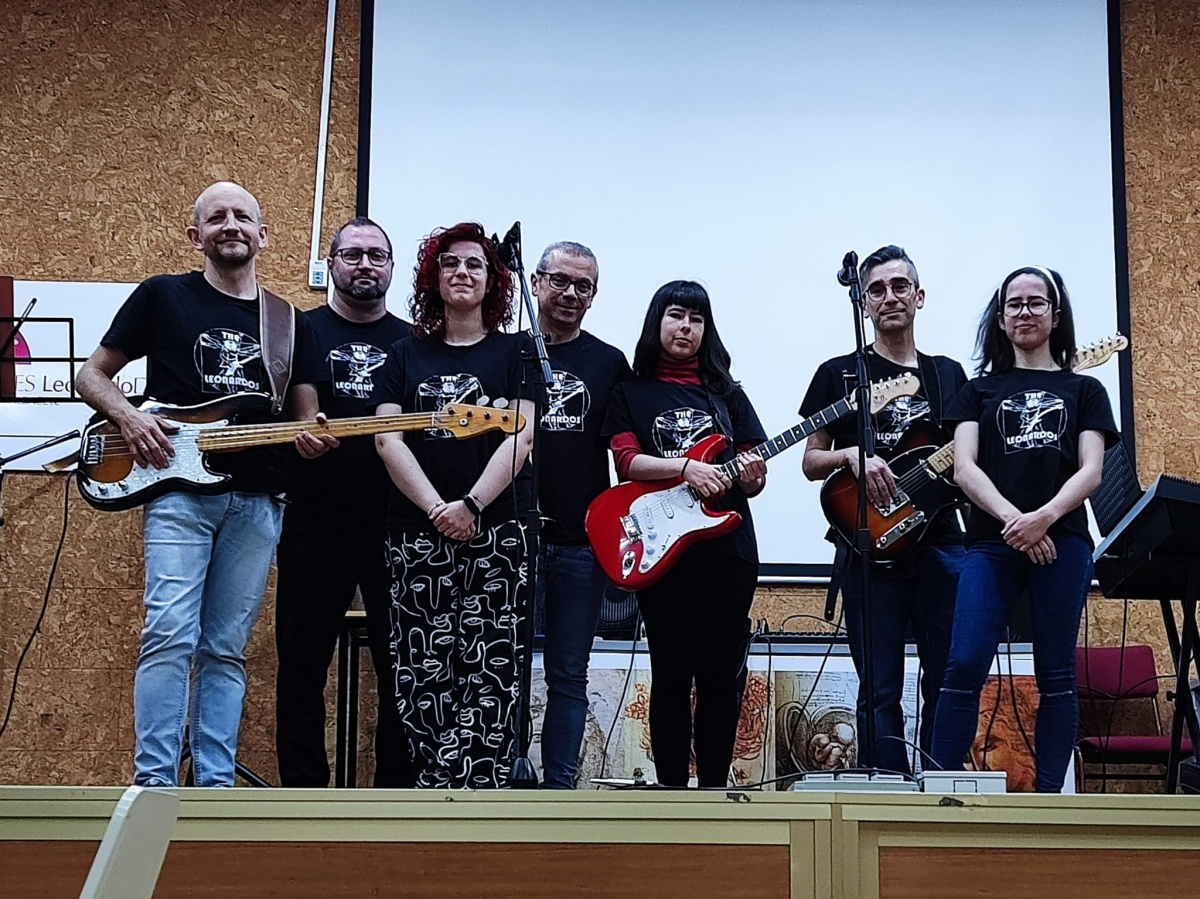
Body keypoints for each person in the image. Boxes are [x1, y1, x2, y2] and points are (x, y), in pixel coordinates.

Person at [75, 181, 334, 787]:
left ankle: (214, 786)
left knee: (225, 648)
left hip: (259, 502)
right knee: (168, 634)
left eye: (243, 216)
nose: (230, 225)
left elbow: (305, 418)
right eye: (216, 217)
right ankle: (155, 784)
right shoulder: (163, 296)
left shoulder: (289, 322)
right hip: (178, 496)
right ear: (196, 236)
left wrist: (313, 437)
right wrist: (129, 417)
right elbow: (92, 376)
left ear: (263, 235)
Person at [930, 265, 1117, 792]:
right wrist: (1017, 522)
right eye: (1014, 304)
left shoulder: (1085, 389)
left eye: (1036, 303)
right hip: (992, 545)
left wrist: (1044, 519)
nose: (1025, 312)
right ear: (1001, 318)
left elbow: (1091, 470)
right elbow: (964, 468)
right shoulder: (977, 391)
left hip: (1062, 544)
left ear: (1056, 316)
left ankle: (1048, 800)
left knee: (1056, 674)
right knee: (963, 664)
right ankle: (938, 792)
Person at [370, 222, 535, 789]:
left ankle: (481, 794)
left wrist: (471, 504)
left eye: (474, 264)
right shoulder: (402, 355)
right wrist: (437, 508)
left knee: (491, 669)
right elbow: (387, 439)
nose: (461, 272)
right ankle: (434, 789)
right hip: (415, 534)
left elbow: (521, 436)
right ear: (432, 278)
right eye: (449, 263)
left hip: (498, 533)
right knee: (422, 671)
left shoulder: (517, 352)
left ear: (493, 280)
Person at [799, 245, 967, 774]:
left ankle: (940, 786)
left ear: (919, 296)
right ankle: (886, 790)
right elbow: (810, 461)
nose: (889, 297)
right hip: (868, 545)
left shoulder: (948, 375)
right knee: (878, 686)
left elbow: (968, 458)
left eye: (900, 286)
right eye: (877, 289)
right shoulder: (838, 373)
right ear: (864, 303)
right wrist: (850, 454)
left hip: (940, 540)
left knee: (946, 677)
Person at [601, 280, 767, 788]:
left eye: (697, 319)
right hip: (661, 552)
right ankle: (671, 791)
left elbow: (753, 474)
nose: (686, 327)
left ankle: (714, 790)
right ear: (657, 321)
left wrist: (752, 475)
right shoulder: (630, 392)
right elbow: (627, 462)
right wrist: (684, 467)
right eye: (676, 315)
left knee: (721, 675)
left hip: (727, 551)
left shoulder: (729, 396)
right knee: (671, 672)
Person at [274, 216, 413, 787]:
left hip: (395, 525)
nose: (365, 265)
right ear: (331, 264)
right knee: (301, 666)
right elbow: (272, 414)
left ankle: (394, 797)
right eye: (352, 254)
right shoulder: (297, 332)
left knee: (401, 667)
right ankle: (302, 794)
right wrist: (297, 433)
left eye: (376, 255)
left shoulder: (413, 343)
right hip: (313, 520)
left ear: (392, 267)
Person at [530, 241, 632, 789]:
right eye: (560, 280)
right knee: (502, 670)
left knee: (568, 674)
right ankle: (501, 783)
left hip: (581, 544)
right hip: (511, 540)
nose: (570, 293)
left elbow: (627, 453)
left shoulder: (609, 363)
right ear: (536, 282)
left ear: (593, 296)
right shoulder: (509, 352)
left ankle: (559, 792)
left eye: (583, 285)